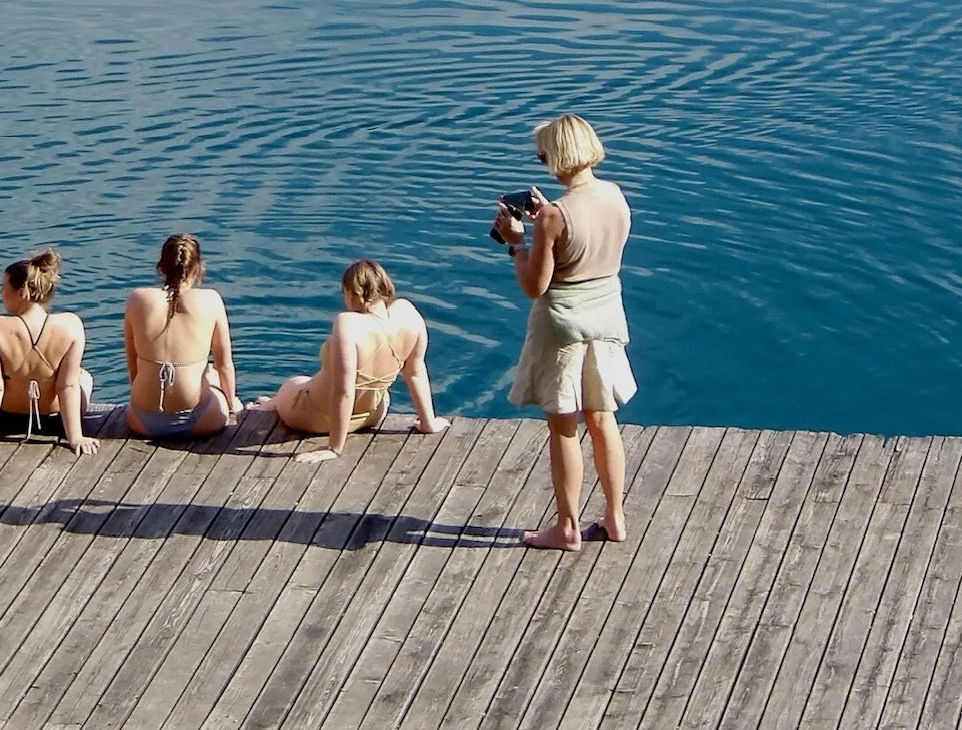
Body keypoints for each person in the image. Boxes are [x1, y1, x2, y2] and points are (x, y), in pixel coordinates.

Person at [492, 113, 635, 551]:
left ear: (556, 157)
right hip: (606, 319)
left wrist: (517, 243)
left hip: (563, 329)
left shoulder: (554, 216)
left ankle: (567, 528)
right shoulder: (615, 196)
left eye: (542, 156)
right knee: (602, 419)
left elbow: (535, 285)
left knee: (564, 427)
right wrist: (544, 227)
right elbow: (587, 249)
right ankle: (615, 517)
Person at [267, 260, 450, 462]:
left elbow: (343, 391)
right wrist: (428, 423)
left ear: (352, 293)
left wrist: (335, 448)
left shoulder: (348, 323)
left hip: (317, 417)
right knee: (311, 382)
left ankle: (270, 404)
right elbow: (415, 372)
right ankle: (271, 403)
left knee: (295, 383)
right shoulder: (409, 313)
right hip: (373, 414)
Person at [0, 249, 98, 459]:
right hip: (55, 421)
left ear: (22, 293)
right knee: (82, 377)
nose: (0, 293)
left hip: (8, 420)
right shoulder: (71, 324)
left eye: (4, 287)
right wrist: (76, 437)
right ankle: (72, 430)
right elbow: (66, 387)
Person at [123, 233, 236, 440]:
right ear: (198, 268)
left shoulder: (137, 299)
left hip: (140, 420)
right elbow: (225, 365)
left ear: (161, 268)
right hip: (201, 420)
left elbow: (133, 365)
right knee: (212, 374)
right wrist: (231, 407)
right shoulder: (211, 300)